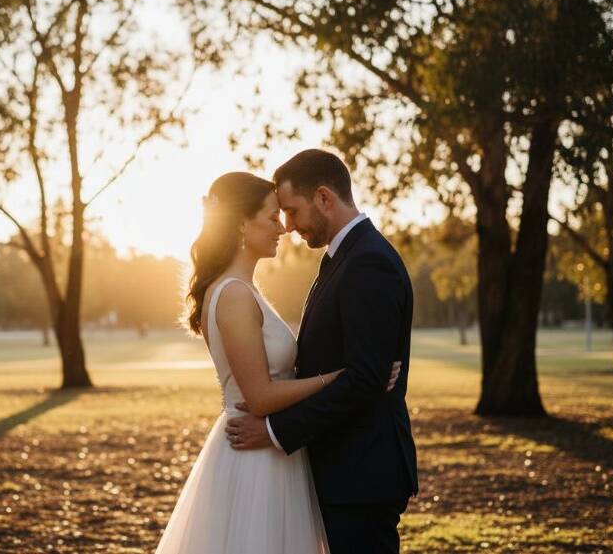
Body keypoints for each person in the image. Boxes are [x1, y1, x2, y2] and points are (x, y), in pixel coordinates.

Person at [154, 169, 402, 554]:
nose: (282, 228)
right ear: (240, 224)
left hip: (277, 453)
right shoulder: (234, 295)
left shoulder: (246, 290)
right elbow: (260, 397)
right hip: (255, 460)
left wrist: (362, 369)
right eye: (272, 217)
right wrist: (340, 376)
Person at [226, 149, 418, 553]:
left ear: (325, 198)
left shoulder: (367, 263)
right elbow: (349, 369)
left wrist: (276, 431)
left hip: (361, 474)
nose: (290, 226)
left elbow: (365, 379)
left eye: (293, 212)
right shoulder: (343, 258)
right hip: (343, 470)